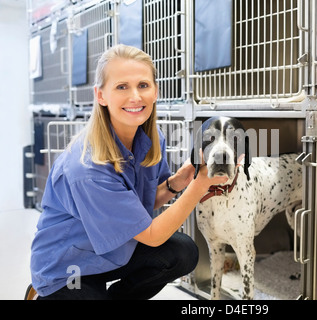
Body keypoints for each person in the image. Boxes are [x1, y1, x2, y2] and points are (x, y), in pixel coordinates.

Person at [29, 44, 227, 300]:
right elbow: (153, 236)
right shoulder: (87, 167)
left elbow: (137, 205)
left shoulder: (151, 137)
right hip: (70, 266)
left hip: (114, 251)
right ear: (100, 95)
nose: (136, 96)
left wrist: (176, 183)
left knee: (182, 252)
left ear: (155, 91)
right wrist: (199, 185)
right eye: (122, 87)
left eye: (143, 85)